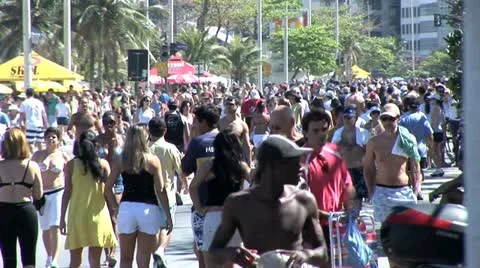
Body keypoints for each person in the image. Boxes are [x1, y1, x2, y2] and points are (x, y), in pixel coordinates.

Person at [209, 135, 329, 268]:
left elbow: (323, 254)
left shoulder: (304, 201)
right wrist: (233, 253)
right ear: (273, 167)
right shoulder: (237, 203)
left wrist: (305, 255)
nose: (301, 167)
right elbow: (213, 252)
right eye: (293, 162)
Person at [105, 125, 172, 268]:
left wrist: (115, 207)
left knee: (125, 259)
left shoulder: (121, 159)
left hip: (127, 207)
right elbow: (160, 189)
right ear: (145, 137)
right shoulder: (153, 160)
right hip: (148, 208)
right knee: (143, 259)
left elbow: (107, 187)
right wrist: (167, 214)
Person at [190, 129, 250, 267]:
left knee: (211, 262)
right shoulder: (241, 166)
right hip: (235, 218)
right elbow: (254, 185)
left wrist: (200, 208)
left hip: (213, 215)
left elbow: (193, 187)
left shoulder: (209, 165)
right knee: (232, 263)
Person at [60, 131, 117, 268]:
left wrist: (62, 218)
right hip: (98, 215)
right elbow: (109, 191)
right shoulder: (102, 164)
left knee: (75, 261)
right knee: (95, 261)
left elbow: (67, 192)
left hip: (77, 215)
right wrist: (115, 209)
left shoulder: (71, 165)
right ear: (96, 146)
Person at [301, 111, 356, 251]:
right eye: (315, 130)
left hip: (338, 225)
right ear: (305, 133)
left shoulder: (335, 151)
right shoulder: (300, 160)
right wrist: (326, 215)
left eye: (324, 129)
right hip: (313, 229)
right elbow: (300, 202)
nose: (321, 134)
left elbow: (347, 184)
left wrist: (350, 210)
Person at [363, 103, 421, 224]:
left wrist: (416, 190)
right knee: (385, 234)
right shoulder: (374, 142)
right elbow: (368, 168)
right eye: (384, 119)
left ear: (398, 118)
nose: (388, 122)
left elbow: (415, 167)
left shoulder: (408, 140)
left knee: (405, 231)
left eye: (391, 118)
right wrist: (371, 192)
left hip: (404, 192)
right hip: (382, 191)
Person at [182, 104, 220, 268]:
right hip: (227, 207)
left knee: (203, 254)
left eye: (196, 121)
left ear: (203, 122)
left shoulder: (198, 143)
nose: (194, 125)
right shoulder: (228, 139)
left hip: (203, 206)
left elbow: (184, 169)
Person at [0, 128, 43, 268]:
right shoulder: (32, 166)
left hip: (4, 212)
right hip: (26, 211)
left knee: (8, 258)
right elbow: (38, 194)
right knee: (29, 258)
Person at [148, 117, 187, 267]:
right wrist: (185, 185)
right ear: (165, 130)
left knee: (154, 228)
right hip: (167, 192)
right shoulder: (170, 149)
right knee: (167, 226)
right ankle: (161, 250)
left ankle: (156, 258)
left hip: (149, 194)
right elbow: (180, 171)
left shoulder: (145, 148)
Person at [31, 127, 69, 268]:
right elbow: (30, 173)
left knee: (55, 226)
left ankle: (55, 260)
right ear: (45, 139)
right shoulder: (37, 155)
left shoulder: (62, 156)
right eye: (49, 136)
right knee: (46, 228)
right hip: (42, 194)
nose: (51, 139)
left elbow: (70, 173)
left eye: (54, 137)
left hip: (58, 192)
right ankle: (49, 256)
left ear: (58, 140)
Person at [97, 111, 124, 267]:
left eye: (112, 122)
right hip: (101, 180)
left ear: (117, 123)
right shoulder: (98, 140)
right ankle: (107, 252)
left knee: (113, 216)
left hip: (118, 180)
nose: (109, 125)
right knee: (104, 217)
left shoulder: (121, 140)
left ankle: (112, 252)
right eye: (106, 122)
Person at [331, 106, 370, 209]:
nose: (347, 120)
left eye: (350, 117)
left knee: (357, 199)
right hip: (343, 171)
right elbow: (333, 152)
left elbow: (369, 154)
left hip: (358, 170)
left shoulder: (363, 133)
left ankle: (355, 221)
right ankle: (348, 222)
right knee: (344, 199)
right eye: (345, 117)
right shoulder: (338, 134)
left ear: (355, 118)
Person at [219, 96, 252, 165]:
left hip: (237, 158)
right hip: (222, 157)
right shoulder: (220, 123)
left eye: (231, 104)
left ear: (237, 106)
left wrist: (249, 162)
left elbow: (246, 145)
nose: (228, 106)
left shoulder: (242, 124)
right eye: (226, 104)